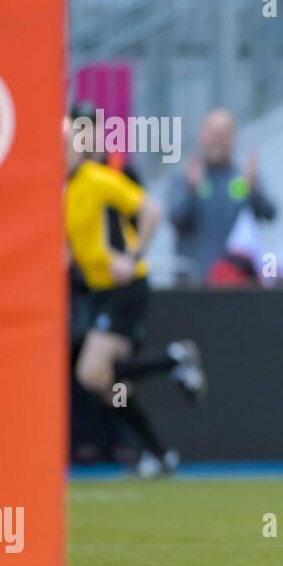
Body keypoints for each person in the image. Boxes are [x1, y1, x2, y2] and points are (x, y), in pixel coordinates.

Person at [64, 117, 208, 478]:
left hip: (125, 289)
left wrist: (132, 257)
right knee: (108, 381)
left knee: (91, 373)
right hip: (99, 291)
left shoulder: (97, 178)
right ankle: (159, 452)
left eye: (66, 146)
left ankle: (174, 363)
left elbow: (152, 210)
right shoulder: (65, 190)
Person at [168, 108, 277, 283]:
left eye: (224, 134)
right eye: (214, 134)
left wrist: (254, 189)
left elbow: (270, 214)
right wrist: (192, 189)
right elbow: (176, 219)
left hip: (239, 282)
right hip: (195, 283)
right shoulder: (184, 176)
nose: (219, 141)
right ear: (202, 135)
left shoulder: (243, 177)